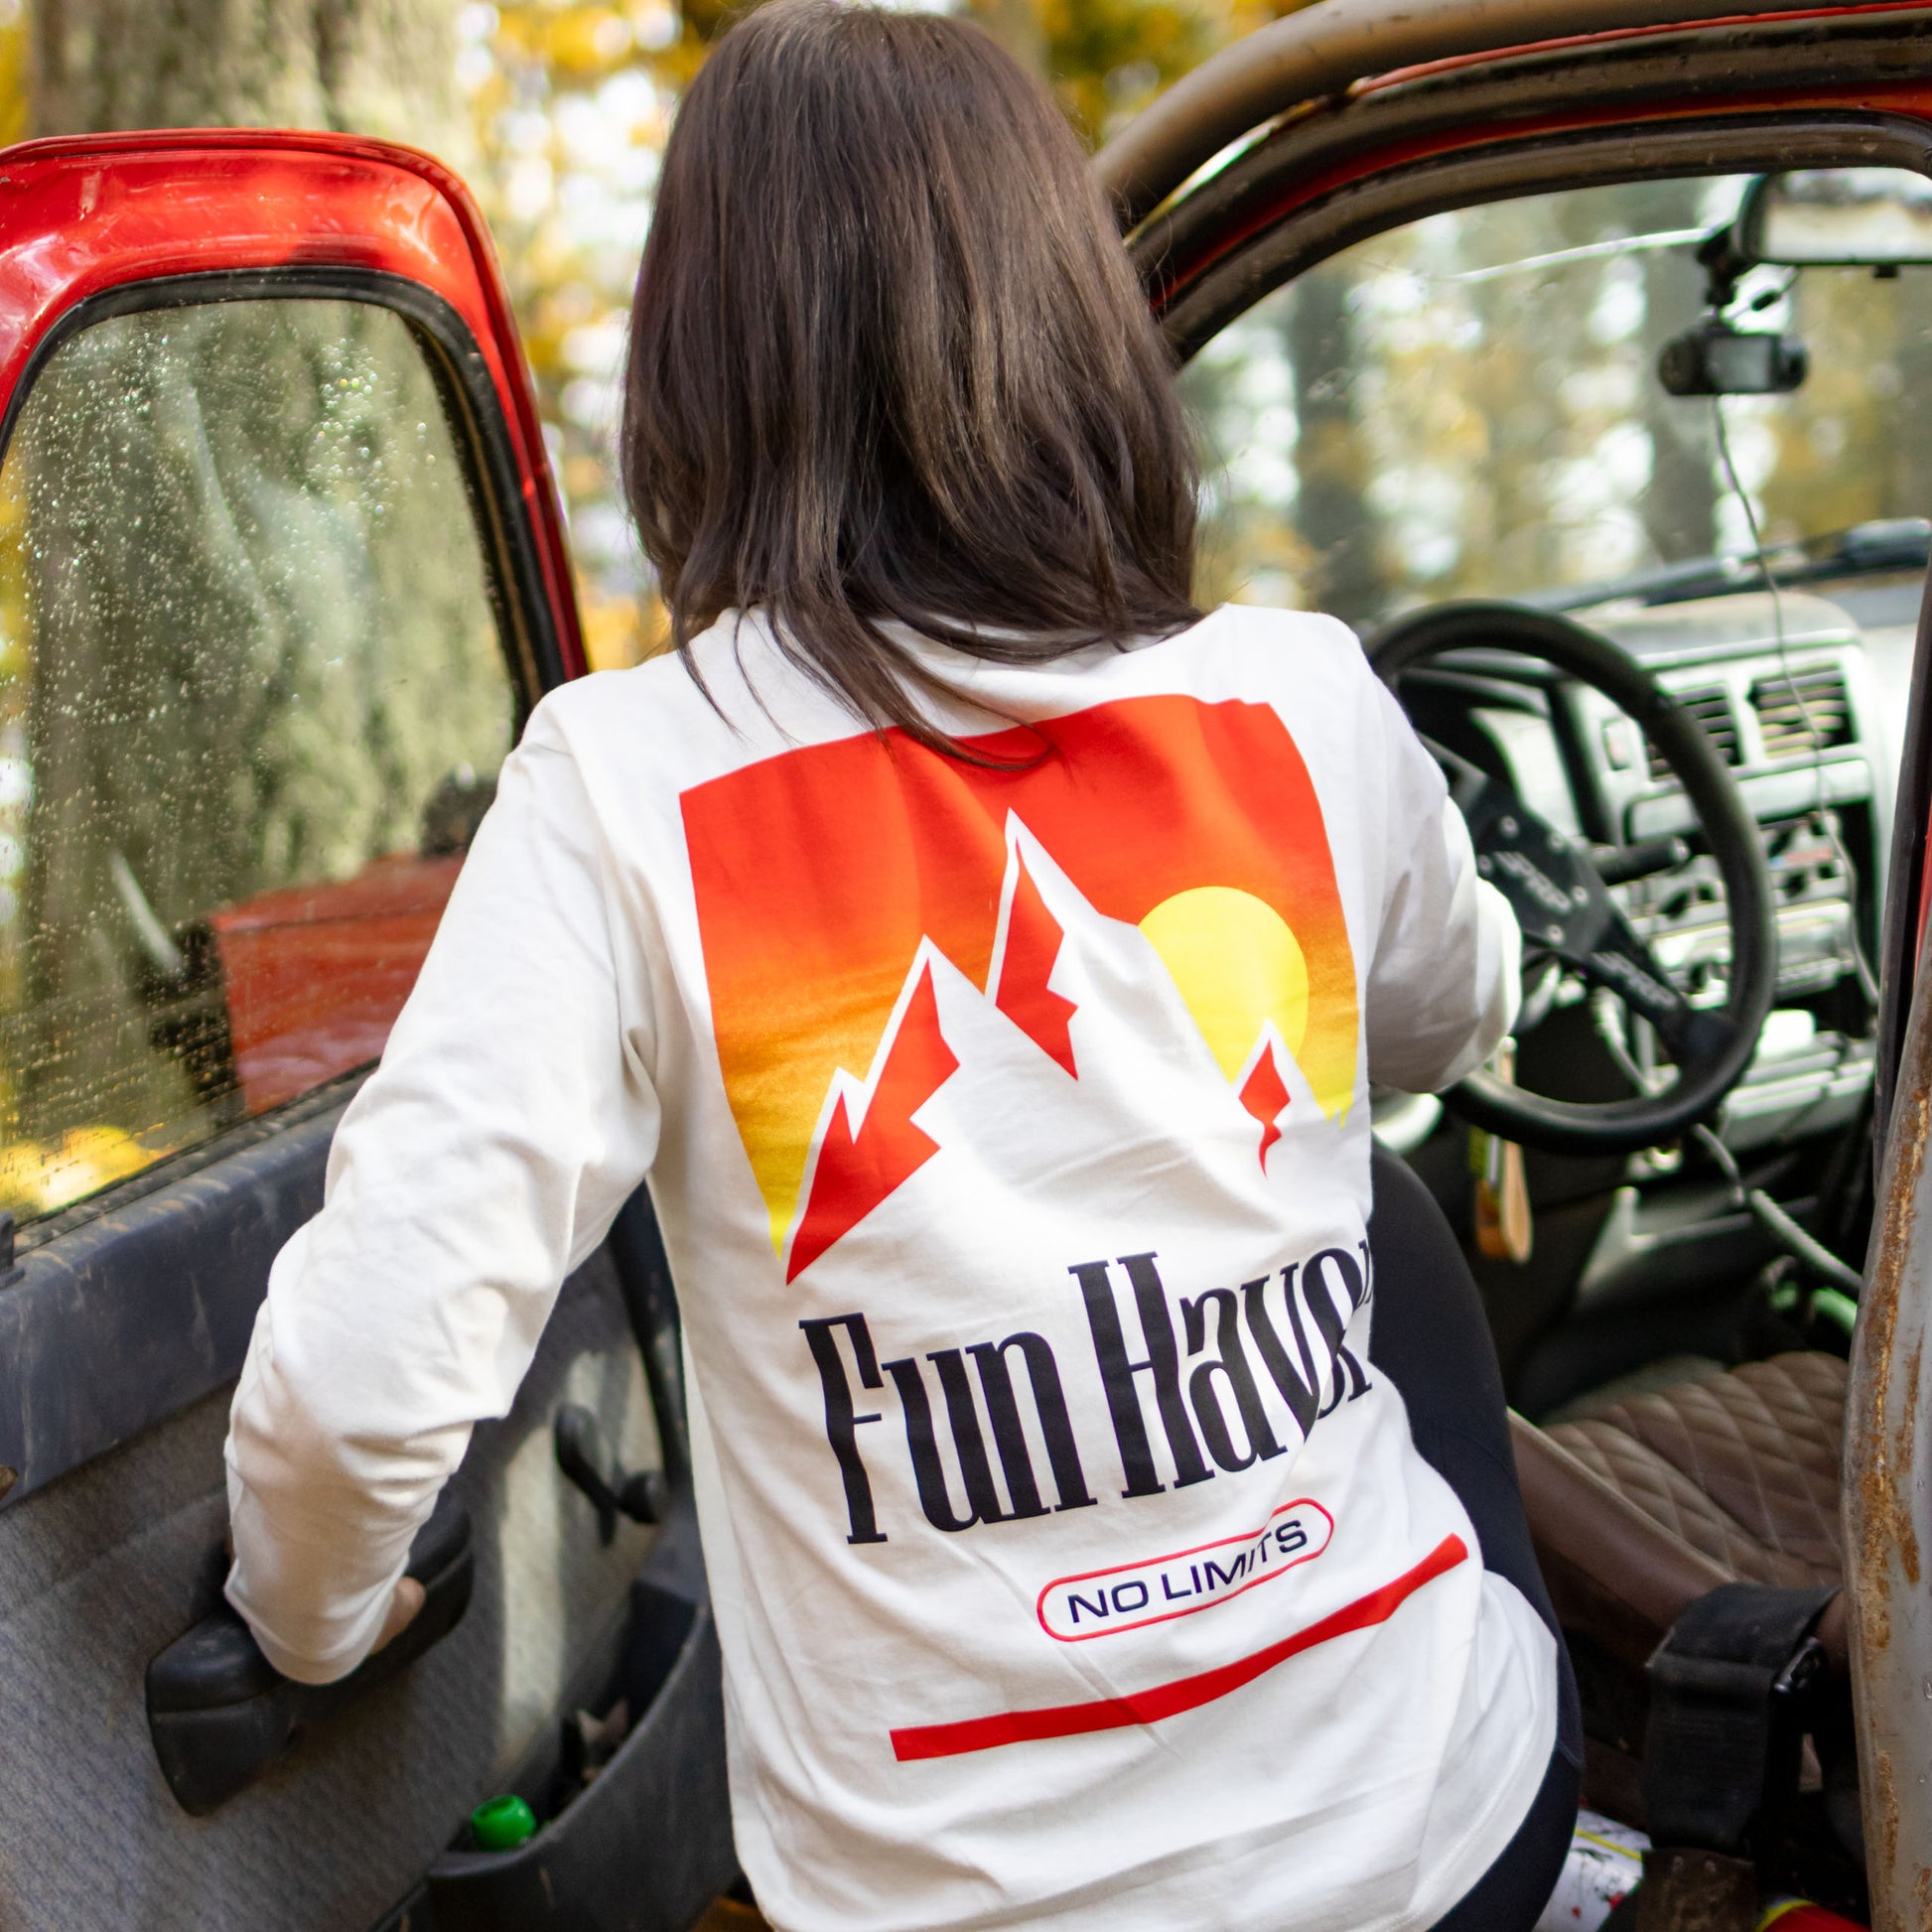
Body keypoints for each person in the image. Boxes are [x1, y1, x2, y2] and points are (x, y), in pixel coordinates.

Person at [222, 4, 1578, 1926]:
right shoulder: (1298, 695)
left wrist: (311, 1624)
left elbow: (366, 1383)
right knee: (1401, 1234)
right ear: (1067, 315)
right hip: (1442, 1851)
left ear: (703, 364)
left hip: (963, 1900)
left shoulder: (626, 780)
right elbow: (1451, 1010)